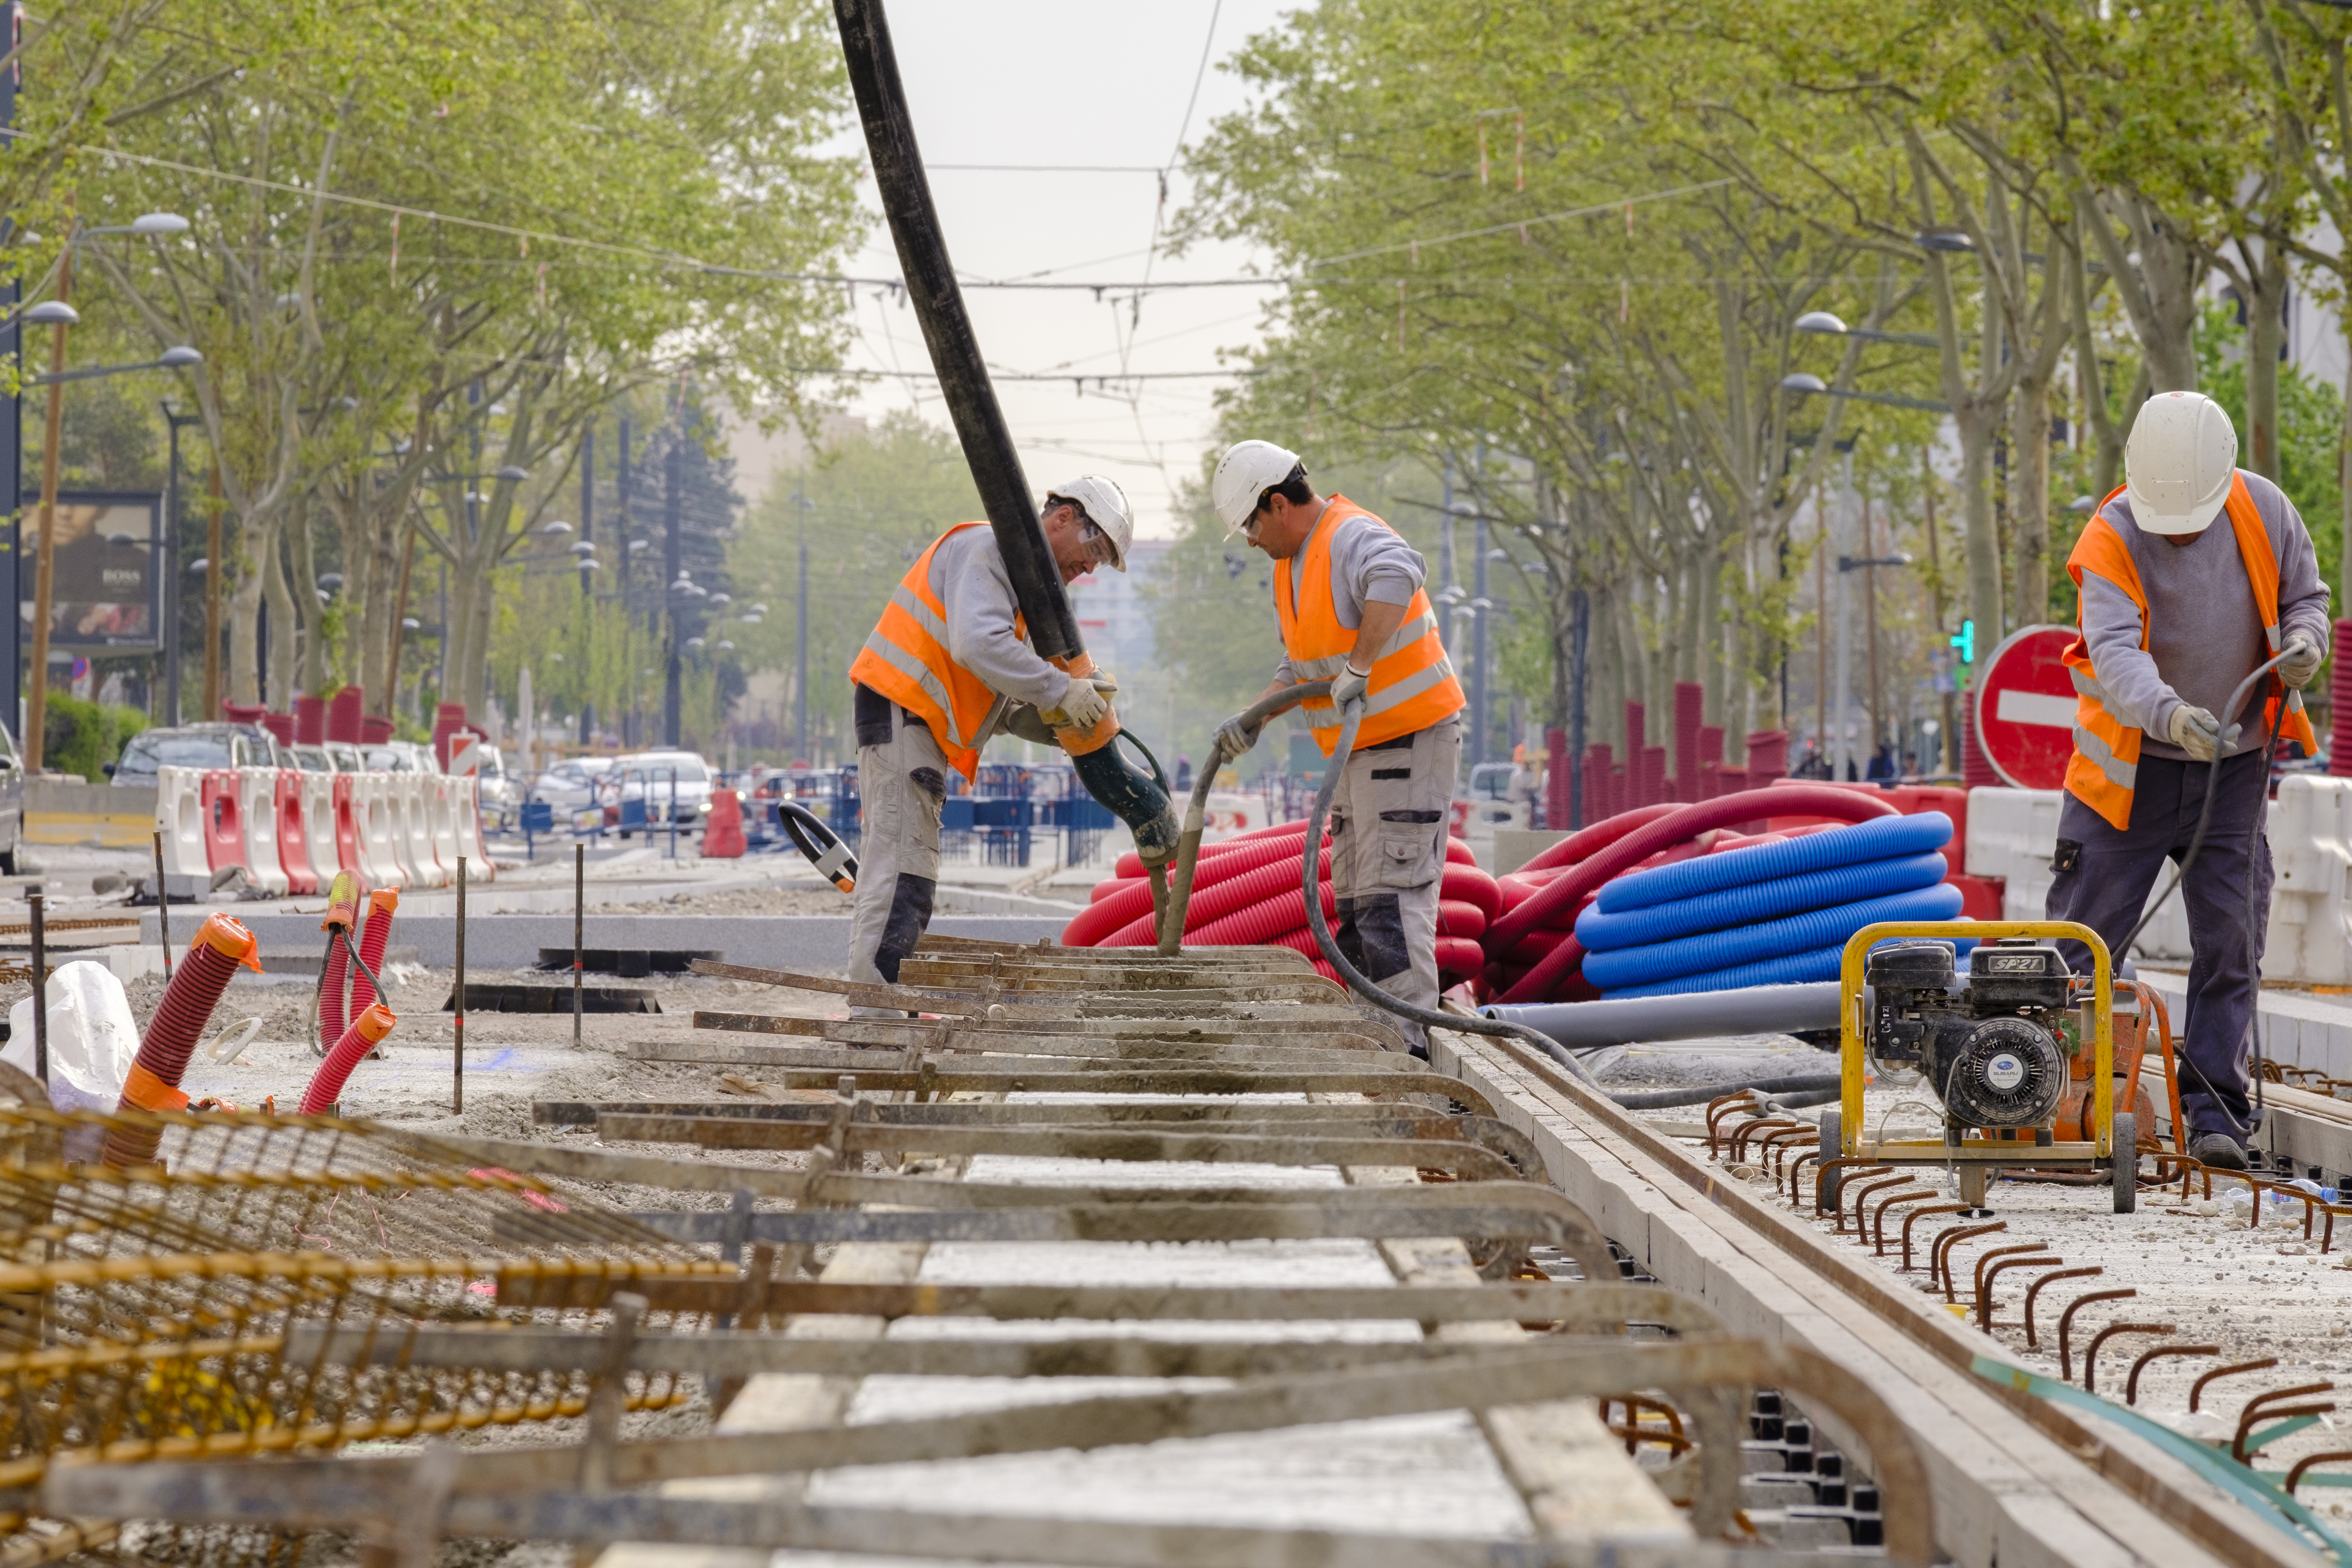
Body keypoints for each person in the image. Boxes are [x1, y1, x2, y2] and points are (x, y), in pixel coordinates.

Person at [2048, 391, 2328, 1172]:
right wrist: (2169, 716)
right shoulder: (2110, 534)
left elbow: (2307, 596)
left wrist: (2304, 639)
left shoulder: (2264, 511)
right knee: (2081, 949)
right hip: (2125, 779)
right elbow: (2112, 651)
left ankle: (2214, 1113)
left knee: (2229, 943)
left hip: (2232, 770)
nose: (2178, 532)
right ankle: (2057, 1103)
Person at [1209, 440, 1465, 1050]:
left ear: (1277, 503)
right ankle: (1376, 1043)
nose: (1249, 539)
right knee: (1354, 908)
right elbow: (1301, 664)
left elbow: (1400, 570)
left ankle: (1407, 1053)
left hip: (1405, 744)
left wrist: (1360, 664)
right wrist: (1255, 718)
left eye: (1250, 523)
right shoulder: (1292, 564)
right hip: (1361, 753)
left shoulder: (1348, 534)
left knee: (1389, 906)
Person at [844, 476, 1134, 994]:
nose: (1090, 567)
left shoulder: (1012, 585)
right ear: (1064, 517)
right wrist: (1060, 691)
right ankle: (876, 1017)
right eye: (1095, 550)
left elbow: (986, 692)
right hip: (902, 713)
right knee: (900, 876)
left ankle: (885, 1006)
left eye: (1102, 560)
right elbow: (978, 646)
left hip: (913, 721)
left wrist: (1059, 722)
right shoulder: (988, 548)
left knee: (908, 875)